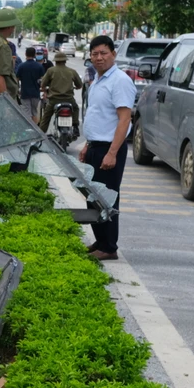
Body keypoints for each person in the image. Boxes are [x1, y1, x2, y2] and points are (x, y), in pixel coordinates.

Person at [79, 35, 135, 261]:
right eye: (95, 54)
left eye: (103, 53)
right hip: (95, 146)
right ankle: (100, 240)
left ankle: (109, 247)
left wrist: (112, 152)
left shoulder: (119, 81)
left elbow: (124, 120)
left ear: (113, 54)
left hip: (110, 149)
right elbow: (98, 116)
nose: (99, 58)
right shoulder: (97, 81)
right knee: (93, 196)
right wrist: (87, 145)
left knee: (107, 198)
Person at [39, 51, 83, 135]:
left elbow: (43, 84)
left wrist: (44, 90)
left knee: (46, 117)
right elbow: (79, 85)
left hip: (54, 100)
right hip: (69, 99)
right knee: (76, 108)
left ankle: (40, 136)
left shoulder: (50, 71)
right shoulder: (72, 71)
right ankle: (75, 126)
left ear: (55, 61)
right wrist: (77, 87)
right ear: (65, 61)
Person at [15, 46, 45, 123]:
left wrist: (17, 89)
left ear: (25, 54)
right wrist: (43, 90)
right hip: (36, 93)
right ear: (35, 54)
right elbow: (43, 80)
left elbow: (16, 80)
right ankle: (35, 130)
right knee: (34, 112)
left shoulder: (21, 66)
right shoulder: (39, 66)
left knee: (27, 113)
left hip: (25, 93)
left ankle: (29, 131)